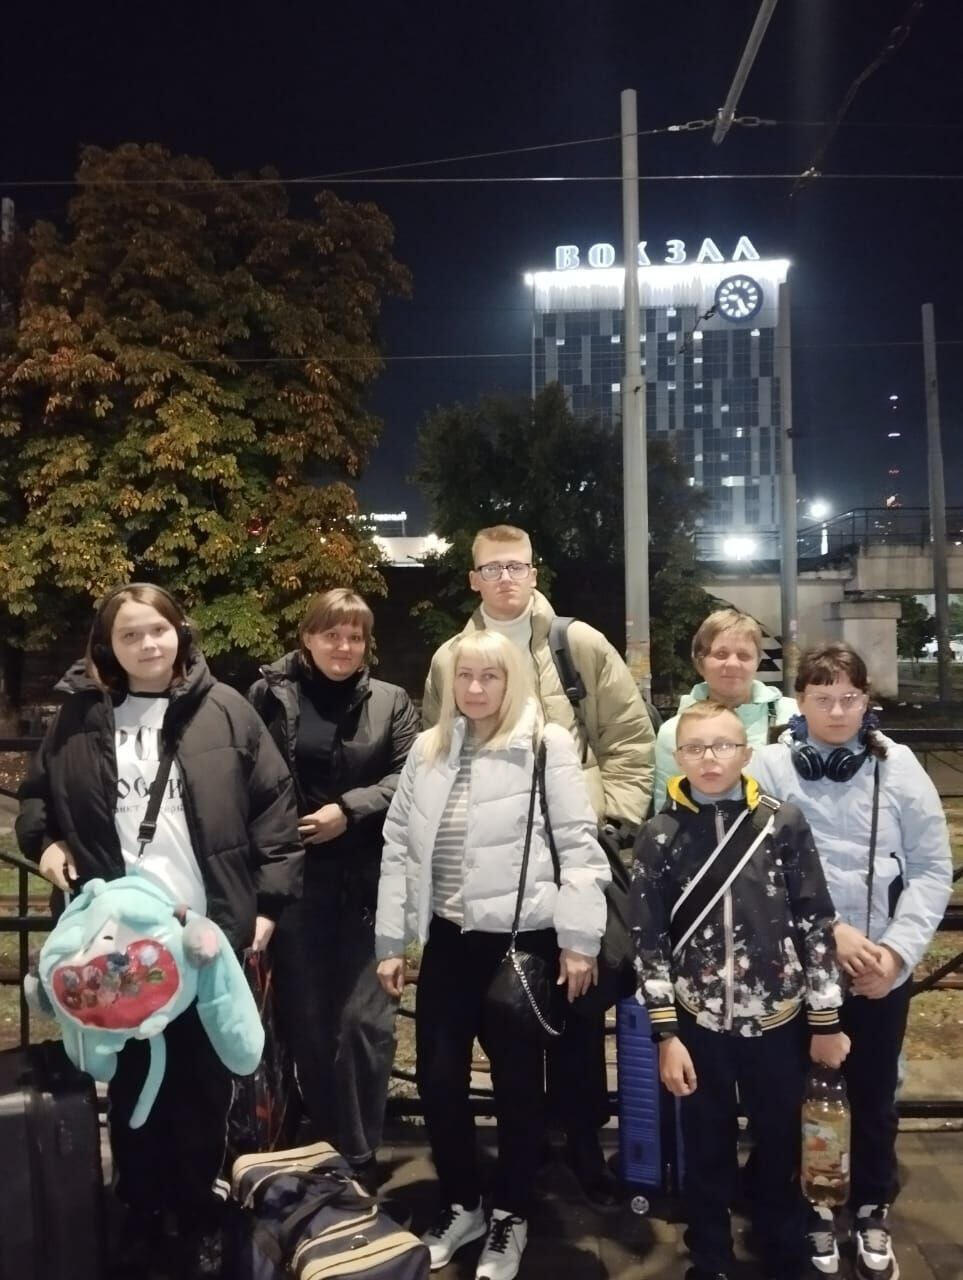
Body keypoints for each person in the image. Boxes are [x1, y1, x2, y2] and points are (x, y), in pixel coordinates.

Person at [16, 583, 303, 1280]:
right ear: (107, 646)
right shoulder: (80, 716)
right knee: (133, 1082)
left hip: (202, 938)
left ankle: (197, 1211)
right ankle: (142, 1211)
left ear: (180, 632)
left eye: (158, 630)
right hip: (118, 947)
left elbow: (274, 810)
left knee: (203, 1085)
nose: (147, 644)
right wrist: (45, 846)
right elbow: (36, 798)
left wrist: (266, 908)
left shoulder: (226, 710)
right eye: (130, 635)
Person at [422, 523, 654, 1205]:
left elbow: (629, 740)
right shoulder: (450, 658)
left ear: (533, 572)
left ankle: (581, 1142)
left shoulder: (576, 644)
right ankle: (526, 1147)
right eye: (491, 568)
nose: (505, 578)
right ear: (474, 578)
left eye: (515, 566)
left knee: (577, 1012)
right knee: (509, 1016)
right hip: (496, 872)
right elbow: (439, 749)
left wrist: (607, 821)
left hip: (569, 863)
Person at [376, 629, 609, 1280]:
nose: (475, 688)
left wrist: (579, 940)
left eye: (490, 676)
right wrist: (391, 943)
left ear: (512, 680)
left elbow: (578, 844)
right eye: (465, 676)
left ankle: (513, 1210)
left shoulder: (544, 744)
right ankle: (462, 1202)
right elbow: (398, 848)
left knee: (517, 1086)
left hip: (522, 938)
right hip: (449, 938)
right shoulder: (429, 748)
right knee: (437, 1080)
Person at [750, 643, 952, 1280]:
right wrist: (829, 932)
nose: (837, 712)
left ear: (867, 701)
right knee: (790, 1096)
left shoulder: (901, 766)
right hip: (794, 969)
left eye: (849, 698)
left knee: (873, 1095)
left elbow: (931, 868)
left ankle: (870, 1204)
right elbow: (758, 871)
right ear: (799, 702)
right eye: (822, 698)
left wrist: (896, 953)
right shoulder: (769, 766)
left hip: (877, 970)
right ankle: (807, 1206)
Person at [631, 699, 849, 1280]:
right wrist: (666, 1034)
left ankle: (781, 1246)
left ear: (746, 753)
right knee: (706, 1147)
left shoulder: (783, 823)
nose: (710, 758)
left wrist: (826, 1020)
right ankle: (710, 1256)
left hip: (779, 1022)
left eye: (723, 745)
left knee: (780, 1142)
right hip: (698, 1025)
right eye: (695, 747)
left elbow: (815, 923)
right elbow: (648, 940)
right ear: (677, 756)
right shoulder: (659, 835)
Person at [247, 588, 418, 1186]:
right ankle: (325, 1146)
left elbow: (410, 776)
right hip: (296, 881)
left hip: (368, 881)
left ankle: (360, 1152)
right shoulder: (269, 696)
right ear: (308, 638)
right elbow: (247, 774)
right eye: (332, 635)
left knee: (366, 1024)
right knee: (310, 1024)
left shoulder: (391, 701)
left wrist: (349, 809)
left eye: (355, 637)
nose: (344, 647)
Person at [652, 607, 798, 814]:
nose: (732, 664)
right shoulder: (672, 732)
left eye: (744, 655)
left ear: (757, 662)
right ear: (700, 662)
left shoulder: (794, 716)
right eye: (721, 654)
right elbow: (666, 812)